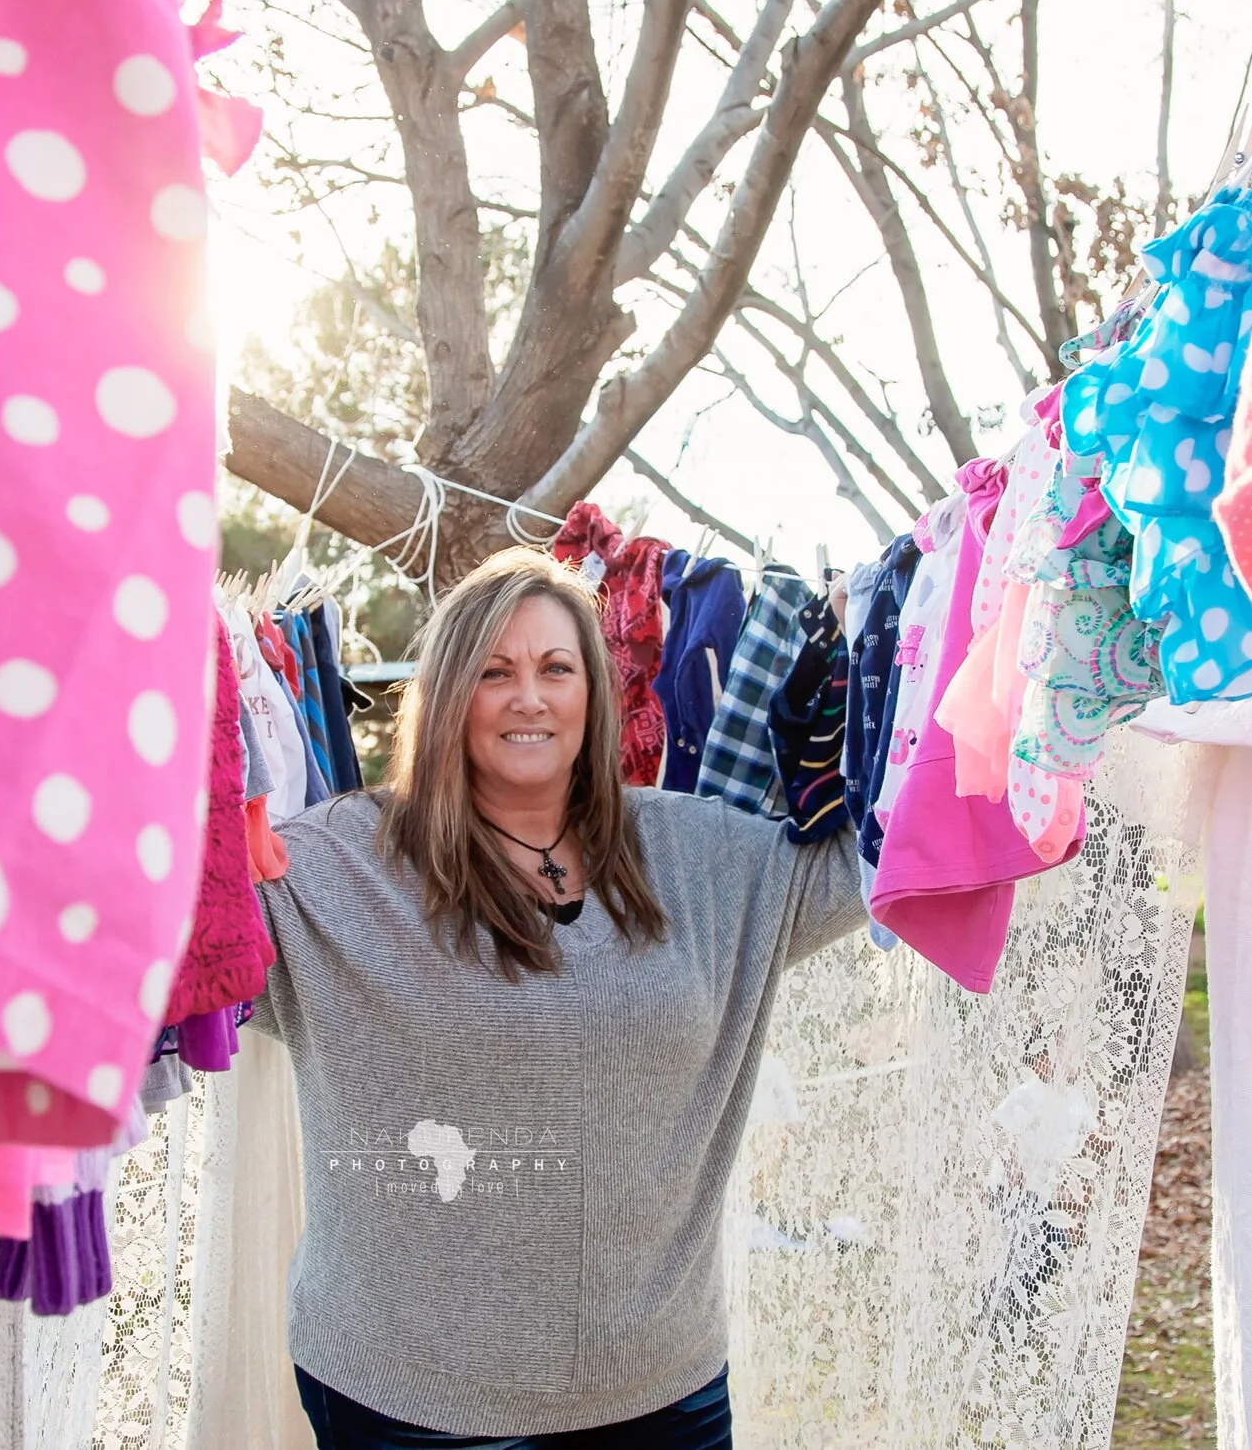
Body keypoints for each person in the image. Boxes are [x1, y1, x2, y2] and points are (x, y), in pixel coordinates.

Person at [251, 547, 865, 1449]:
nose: (529, 697)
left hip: (663, 1389)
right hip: (412, 1398)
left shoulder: (700, 855)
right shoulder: (342, 860)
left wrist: (906, 628)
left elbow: (884, 852)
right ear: (448, 694)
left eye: (556, 668)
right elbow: (183, 917)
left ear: (595, 692)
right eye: (494, 672)